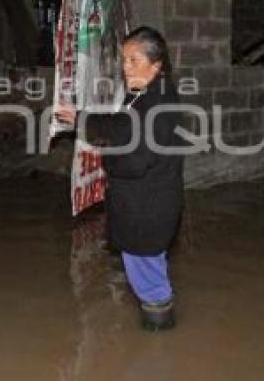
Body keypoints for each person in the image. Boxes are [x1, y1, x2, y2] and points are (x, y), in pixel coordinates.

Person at [57, 26, 185, 331]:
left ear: (157, 65)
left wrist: (106, 159)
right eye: (124, 60)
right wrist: (81, 118)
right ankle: (160, 330)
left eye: (133, 60)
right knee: (148, 267)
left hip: (146, 208)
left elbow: (135, 160)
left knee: (146, 274)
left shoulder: (155, 105)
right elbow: (120, 127)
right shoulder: (148, 94)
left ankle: (158, 339)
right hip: (151, 204)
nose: (126, 68)